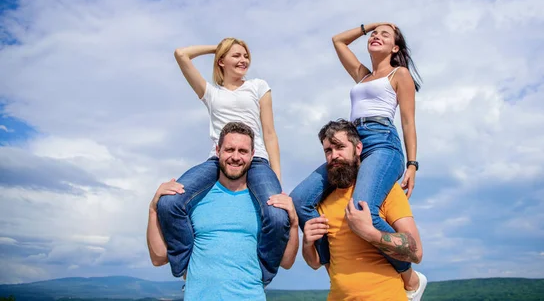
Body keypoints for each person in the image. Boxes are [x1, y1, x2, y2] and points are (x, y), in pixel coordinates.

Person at [291, 23, 424, 295]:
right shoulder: (362, 76)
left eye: (385, 35)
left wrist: (412, 164)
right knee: (300, 200)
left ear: (395, 47)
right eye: (375, 34)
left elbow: (408, 121)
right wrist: (370, 26)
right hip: (354, 140)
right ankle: (331, 265)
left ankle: (409, 277)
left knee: (362, 208)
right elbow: (338, 40)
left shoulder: (400, 74)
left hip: (383, 142)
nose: (377, 36)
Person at [156, 38, 289, 285]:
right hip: (218, 160)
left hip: (257, 159)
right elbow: (181, 54)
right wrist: (215, 47)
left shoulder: (258, 86)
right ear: (221, 61)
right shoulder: (210, 92)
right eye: (236, 55)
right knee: (169, 202)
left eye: (246, 56)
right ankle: (185, 266)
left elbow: (270, 132)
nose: (243, 60)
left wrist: (277, 176)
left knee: (278, 216)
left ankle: (263, 274)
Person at [148, 122, 299, 300]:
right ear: (218, 150)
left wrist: (294, 224)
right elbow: (159, 258)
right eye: (229, 149)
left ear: (252, 155)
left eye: (242, 151)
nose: (235, 157)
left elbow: (286, 262)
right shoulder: (191, 200)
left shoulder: (266, 204)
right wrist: (153, 210)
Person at [302, 120, 426, 300]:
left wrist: (370, 233)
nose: (334, 155)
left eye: (340, 147)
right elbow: (314, 263)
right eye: (328, 151)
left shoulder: (386, 191)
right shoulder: (322, 201)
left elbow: (416, 252)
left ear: (358, 148)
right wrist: (307, 243)